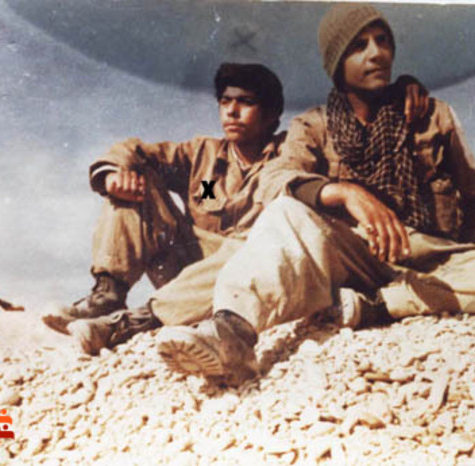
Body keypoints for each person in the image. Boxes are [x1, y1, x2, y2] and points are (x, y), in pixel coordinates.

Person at [155, 5, 475, 384]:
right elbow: (276, 178)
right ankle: (231, 334)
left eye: (383, 41)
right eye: (359, 46)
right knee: (283, 214)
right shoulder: (312, 126)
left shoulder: (431, 115)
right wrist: (342, 192)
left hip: (435, 258)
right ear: (336, 62)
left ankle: (381, 304)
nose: (377, 54)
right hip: (357, 254)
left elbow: (474, 194)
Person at [42, 60, 432, 355]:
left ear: (272, 114)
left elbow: (353, 128)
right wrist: (114, 173)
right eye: (225, 102)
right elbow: (135, 150)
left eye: (245, 102)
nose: (231, 111)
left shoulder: (293, 152)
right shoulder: (201, 154)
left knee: (257, 239)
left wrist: (400, 89)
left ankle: (132, 323)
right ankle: (107, 295)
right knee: (134, 184)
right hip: (188, 265)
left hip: (246, 272)